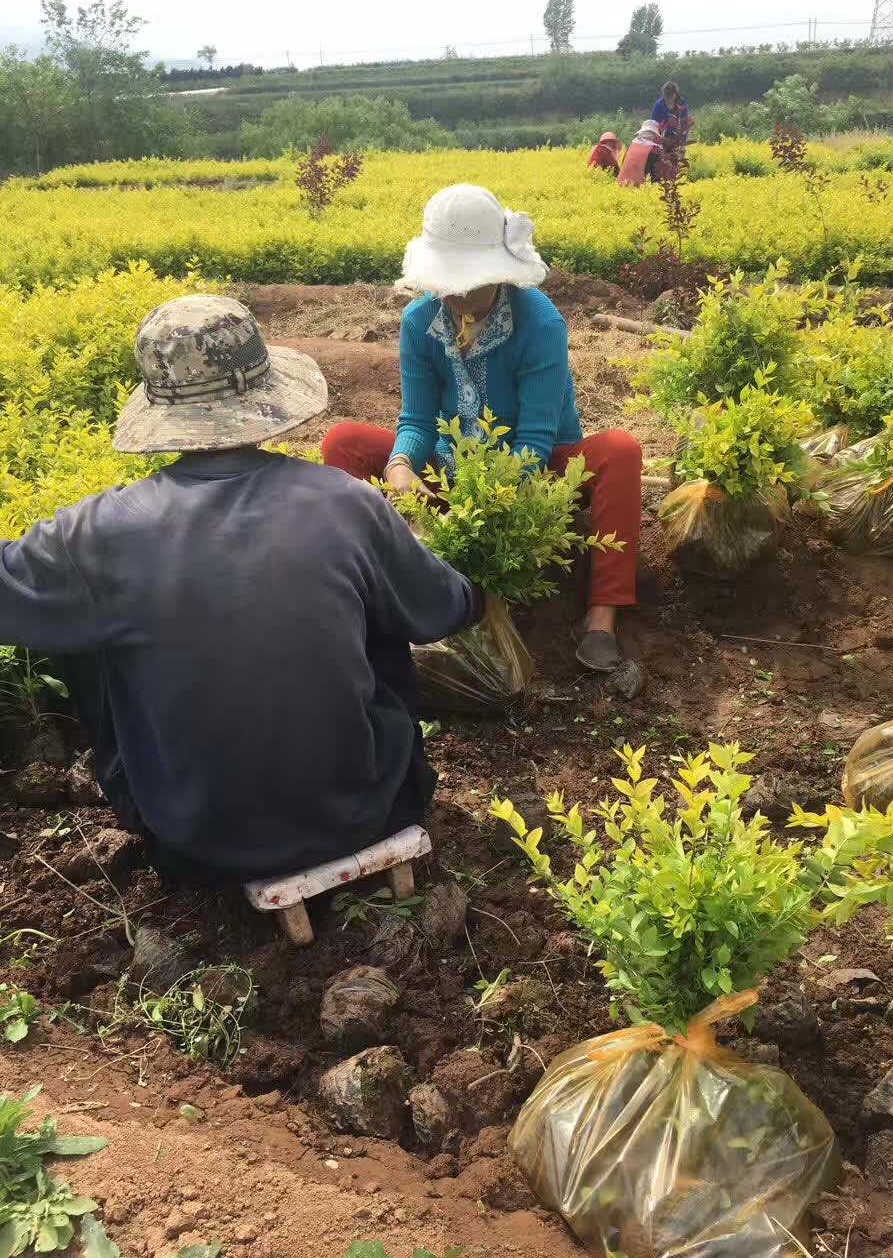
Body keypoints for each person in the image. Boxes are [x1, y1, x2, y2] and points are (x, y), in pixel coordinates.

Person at [0, 295, 482, 883]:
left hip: (194, 845)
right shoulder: (345, 502)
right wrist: (479, 592)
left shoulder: (92, 535)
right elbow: (444, 609)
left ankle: (184, 791)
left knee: (78, 627)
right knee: (379, 610)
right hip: (371, 810)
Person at [322, 184, 644, 673]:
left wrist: (485, 499)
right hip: (451, 467)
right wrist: (403, 464)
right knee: (343, 442)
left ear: (499, 273)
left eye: (467, 283)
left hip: (534, 475)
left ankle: (601, 620)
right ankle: (367, 597)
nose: (455, 296)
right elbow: (416, 419)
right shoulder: (419, 322)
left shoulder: (541, 325)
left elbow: (536, 439)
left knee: (619, 450)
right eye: (446, 283)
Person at [617, 120, 665, 187]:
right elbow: (658, 174)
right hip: (641, 187)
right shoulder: (654, 150)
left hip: (621, 185)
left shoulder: (631, 146)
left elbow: (623, 165)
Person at [652, 81, 693, 154]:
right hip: (662, 139)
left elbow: (684, 124)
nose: (668, 100)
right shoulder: (659, 105)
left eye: (670, 97)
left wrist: (682, 144)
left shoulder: (682, 103)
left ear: (675, 94)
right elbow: (653, 125)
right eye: (666, 97)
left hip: (676, 138)